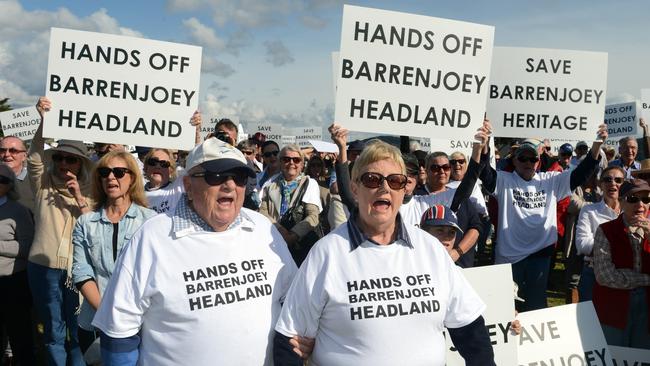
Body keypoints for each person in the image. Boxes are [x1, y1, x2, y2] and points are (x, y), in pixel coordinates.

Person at [275, 139, 494, 365]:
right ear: (354, 189)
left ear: (405, 189)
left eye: (395, 181)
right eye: (372, 180)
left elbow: (471, 331)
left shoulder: (430, 249)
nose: (384, 188)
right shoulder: (326, 254)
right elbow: (289, 341)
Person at [93, 138, 302, 364]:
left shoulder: (262, 229)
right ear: (188, 185)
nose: (230, 185)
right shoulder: (152, 237)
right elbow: (119, 333)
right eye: (217, 176)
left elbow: (293, 300)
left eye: (239, 177)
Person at [478, 121, 607, 311]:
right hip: (509, 256)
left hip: (540, 254)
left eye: (533, 159)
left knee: (535, 307)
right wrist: (484, 143)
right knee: (506, 308)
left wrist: (596, 144)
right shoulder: (504, 180)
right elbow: (484, 172)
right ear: (514, 160)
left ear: (539, 162)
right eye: (523, 158)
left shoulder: (550, 180)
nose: (528, 163)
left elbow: (582, 172)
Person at [27, 96, 94, 366]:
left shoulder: (92, 192)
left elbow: (93, 225)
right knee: (53, 331)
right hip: (43, 267)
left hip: (77, 271)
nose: (64, 163)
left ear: (81, 164)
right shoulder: (42, 183)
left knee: (77, 331)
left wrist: (79, 196)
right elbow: (33, 157)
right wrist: (44, 121)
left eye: (71, 159)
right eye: (60, 157)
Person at [71, 151, 156, 354]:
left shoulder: (150, 221)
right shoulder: (85, 222)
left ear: (132, 178)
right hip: (94, 323)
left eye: (118, 172)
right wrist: (107, 313)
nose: (110, 177)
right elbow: (81, 272)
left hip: (138, 325)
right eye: (104, 172)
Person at [592, 179, 650, 348]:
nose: (641, 204)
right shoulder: (606, 230)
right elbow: (605, 276)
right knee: (614, 354)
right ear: (622, 202)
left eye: (646, 199)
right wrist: (647, 279)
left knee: (643, 355)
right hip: (613, 307)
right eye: (633, 199)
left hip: (646, 308)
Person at [259, 144, 323, 266]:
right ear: (280, 162)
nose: (291, 163)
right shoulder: (269, 185)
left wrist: (291, 236)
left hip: (300, 246)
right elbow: (263, 212)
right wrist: (280, 230)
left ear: (302, 164)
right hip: (275, 241)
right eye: (286, 159)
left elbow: (313, 217)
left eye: (296, 160)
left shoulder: (310, 183)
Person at [0, 163, 36, 365]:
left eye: (3, 179)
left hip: (12, 283)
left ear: (11, 185)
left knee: (20, 337)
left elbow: (27, 247)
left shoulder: (18, 211)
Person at [575, 166, 624, 301]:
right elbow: (582, 244)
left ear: (624, 184)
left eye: (618, 180)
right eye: (607, 179)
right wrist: (619, 247)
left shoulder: (630, 212)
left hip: (625, 274)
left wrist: (602, 245)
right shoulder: (589, 211)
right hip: (593, 273)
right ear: (601, 184)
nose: (613, 183)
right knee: (590, 320)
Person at [142, 148, 185, 214]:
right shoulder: (137, 196)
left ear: (171, 170)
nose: (158, 166)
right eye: (153, 162)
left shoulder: (177, 188)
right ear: (146, 167)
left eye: (164, 164)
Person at [0, 136, 33, 211]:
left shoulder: (36, 182)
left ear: (24, 156)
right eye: (2, 150)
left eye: (13, 150)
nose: (6, 154)